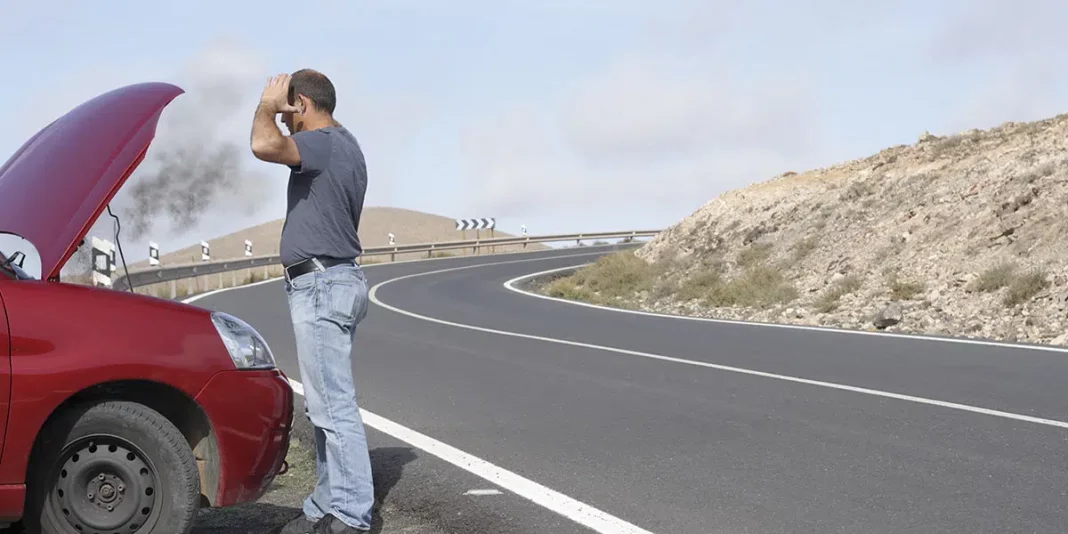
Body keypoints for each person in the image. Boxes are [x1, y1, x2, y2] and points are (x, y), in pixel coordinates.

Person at [250, 69, 373, 534]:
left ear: (300, 103)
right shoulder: (346, 145)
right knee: (323, 405)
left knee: (333, 406)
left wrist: (267, 107)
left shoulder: (321, 143)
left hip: (321, 284)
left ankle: (350, 514)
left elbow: (263, 145)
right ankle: (327, 502)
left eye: (288, 105)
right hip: (333, 280)